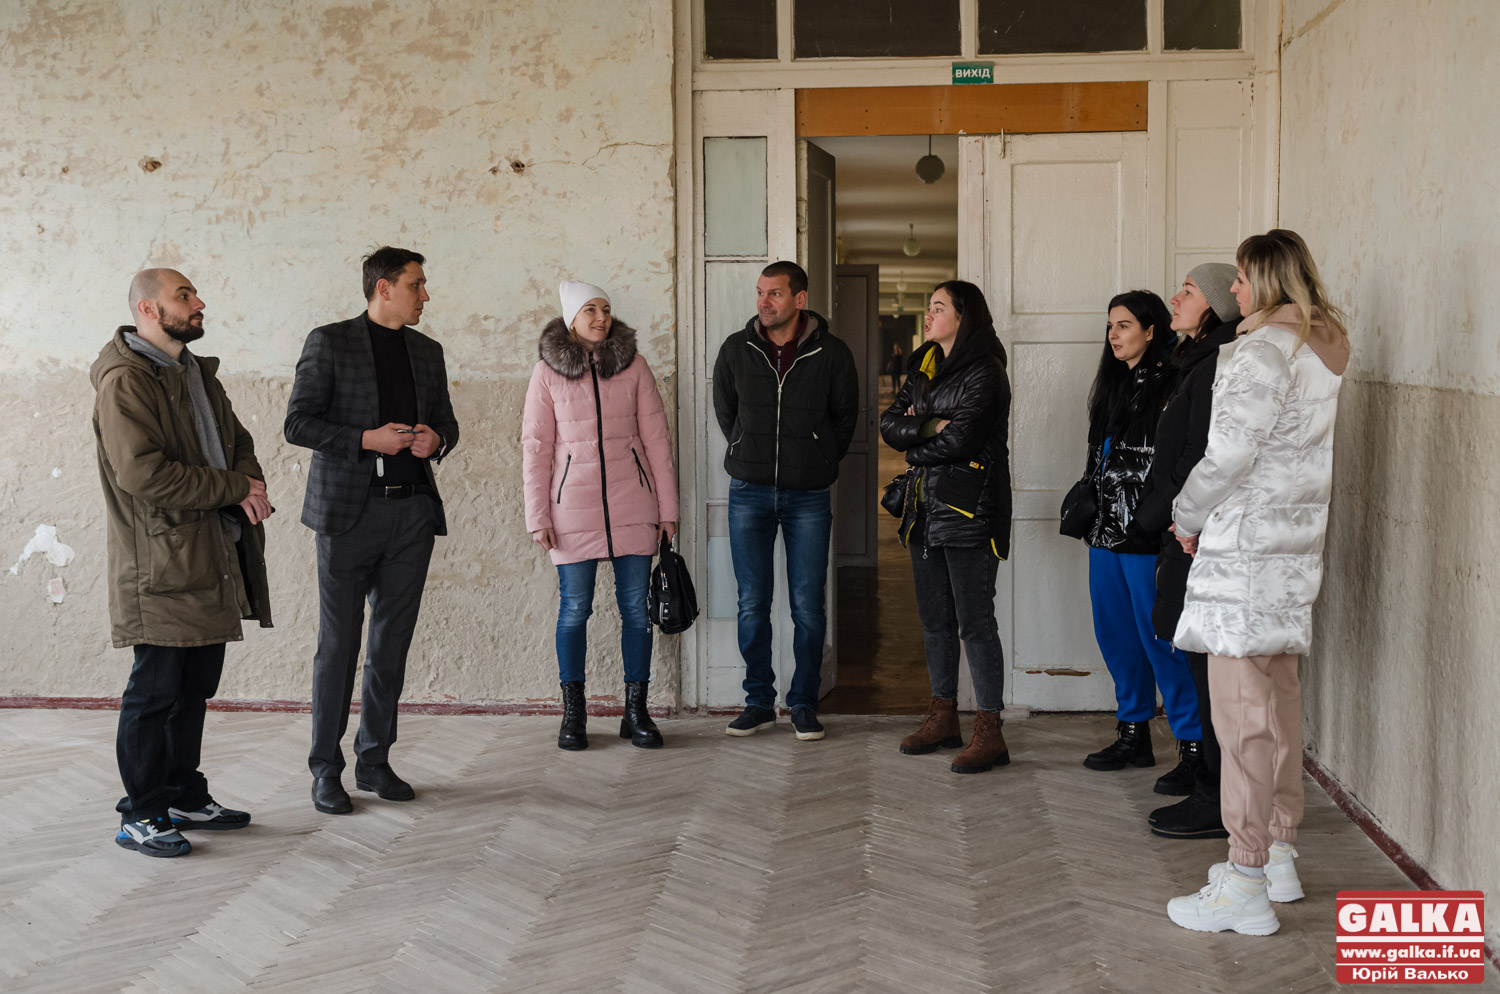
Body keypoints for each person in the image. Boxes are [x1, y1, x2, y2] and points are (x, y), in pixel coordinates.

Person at [1166, 230, 1350, 936]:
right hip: (1291, 555)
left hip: (1244, 557)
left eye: (1241, 278)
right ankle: (1277, 855)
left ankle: (1244, 882)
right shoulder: (1321, 349)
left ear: (1267, 280)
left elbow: (1227, 456)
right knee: (1279, 711)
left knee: (1241, 721)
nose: (1234, 289)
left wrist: (1186, 515)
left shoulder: (1260, 352)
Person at [91, 268, 274, 857]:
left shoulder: (194, 371)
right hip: (160, 566)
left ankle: (182, 796)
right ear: (148, 309)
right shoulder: (126, 380)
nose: (199, 303)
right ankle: (140, 814)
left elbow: (238, 442)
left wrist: (248, 482)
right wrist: (234, 488)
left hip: (209, 554)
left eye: (194, 293)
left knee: (193, 689)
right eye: (184, 296)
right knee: (154, 694)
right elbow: (143, 474)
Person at [285, 246, 460, 815]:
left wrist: (437, 439)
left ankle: (375, 760)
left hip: (411, 515)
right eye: (417, 284)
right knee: (338, 646)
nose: (425, 295)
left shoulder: (427, 351)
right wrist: (366, 439)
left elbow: (448, 424)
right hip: (346, 516)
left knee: (391, 646)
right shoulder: (329, 342)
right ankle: (325, 769)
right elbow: (298, 423)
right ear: (384, 288)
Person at [522, 280, 680, 750]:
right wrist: (537, 516)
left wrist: (668, 509)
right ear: (571, 318)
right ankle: (574, 714)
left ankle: (637, 711)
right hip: (571, 509)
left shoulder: (635, 367)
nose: (600, 317)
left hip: (634, 504)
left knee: (636, 610)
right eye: (590, 309)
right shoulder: (546, 373)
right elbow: (536, 448)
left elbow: (657, 441)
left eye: (606, 309)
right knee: (575, 610)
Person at [712, 260, 859, 741]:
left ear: (800, 298)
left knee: (807, 606)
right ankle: (758, 702)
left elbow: (845, 417)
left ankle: (803, 703)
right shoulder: (736, 349)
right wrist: (746, 448)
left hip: (808, 496)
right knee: (752, 603)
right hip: (748, 492)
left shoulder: (832, 353)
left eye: (774, 293)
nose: (764, 302)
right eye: (760, 292)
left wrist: (819, 459)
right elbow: (727, 410)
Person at [1127, 264, 1242, 840]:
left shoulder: (1217, 363)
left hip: (1193, 533)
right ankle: (1210, 787)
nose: (1175, 297)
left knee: (1210, 677)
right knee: (1200, 668)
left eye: (1189, 291)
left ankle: (1217, 799)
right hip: (1182, 528)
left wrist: (1154, 515)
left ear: (1216, 305)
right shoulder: (1195, 359)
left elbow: (1199, 456)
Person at [879, 281, 1013, 774]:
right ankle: (943, 716)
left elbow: (963, 440)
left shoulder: (986, 371)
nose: (929, 315)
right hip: (924, 509)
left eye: (938, 307)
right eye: (929, 307)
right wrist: (930, 425)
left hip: (970, 509)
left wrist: (918, 440)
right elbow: (888, 424)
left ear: (963, 316)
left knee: (975, 621)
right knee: (934, 619)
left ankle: (990, 730)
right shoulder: (924, 365)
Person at [1077, 291, 1202, 785]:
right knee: (1116, 636)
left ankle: (1193, 747)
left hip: (1146, 534)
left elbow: (1176, 463)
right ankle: (1133, 732)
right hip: (1105, 532)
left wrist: (1153, 519)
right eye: (1110, 326)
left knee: (1162, 642)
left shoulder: (1174, 383)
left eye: (1125, 325)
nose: (1114, 335)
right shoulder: (1114, 385)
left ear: (1152, 331)